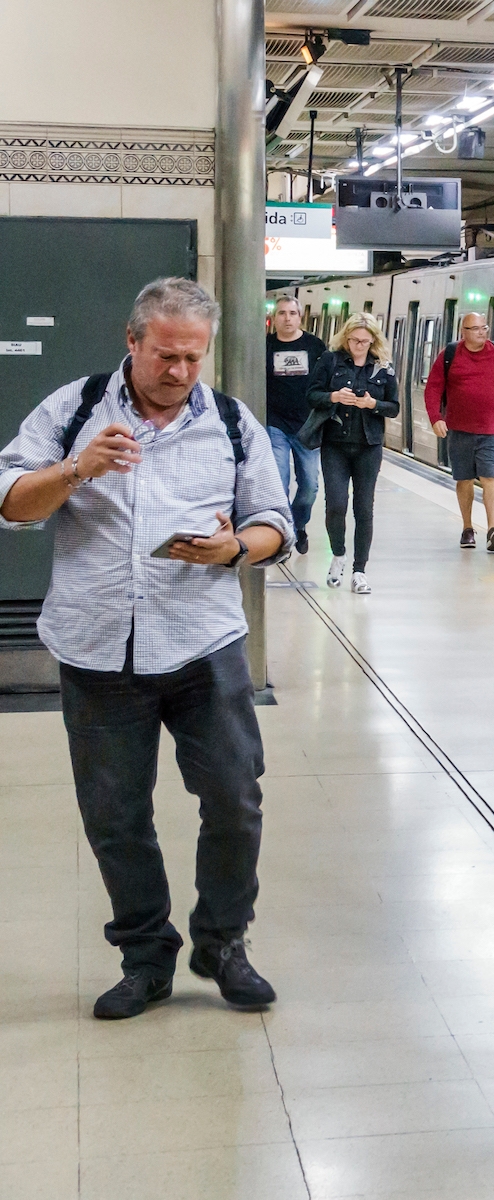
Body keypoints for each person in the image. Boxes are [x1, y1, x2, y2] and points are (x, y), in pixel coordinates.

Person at [0, 277, 292, 1019]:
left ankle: (223, 943)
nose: (180, 372)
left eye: (194, 358)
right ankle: (144, 956)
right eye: (165, 355)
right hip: (98, 651)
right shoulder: (73, 410)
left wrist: (233, 549)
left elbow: (275, 525)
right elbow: (9, 502)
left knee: (234, 797)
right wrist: (76, 469)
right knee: (116, 815)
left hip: (203, 647)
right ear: (132, 343)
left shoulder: (230, 422)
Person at [308, 313, 399, 595]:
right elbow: (312, 394)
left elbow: (393, 407)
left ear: (373, 339)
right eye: (353, 340)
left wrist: (373, 404)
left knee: (364, 508)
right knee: (335, 503)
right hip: (335, 442)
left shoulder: (383, 368)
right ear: (346, 338)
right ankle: (338, 553)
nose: (358, 345)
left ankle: (360, 571)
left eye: (363, 341)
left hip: (368, 445)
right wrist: (333, 397)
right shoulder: (330, 360)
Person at [425, 311, 494, 551]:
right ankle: (467, 528)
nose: (482, 332)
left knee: (490, 477)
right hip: (459, 429)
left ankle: (492, 529)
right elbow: (433, 389)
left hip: (492, 430)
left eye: (484, 327)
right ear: (463, 332)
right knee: (464, 479)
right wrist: (436, 418)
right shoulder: (449, 355)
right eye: (476, 328)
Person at [264, 295, 325, 554]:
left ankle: (298, 525)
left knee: (309, 486)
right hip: (275, 424)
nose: (287, 318)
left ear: (300, 317)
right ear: (274, 318)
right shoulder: (264, 346)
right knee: (279, 482)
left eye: (292, 313)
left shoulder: (315, 346)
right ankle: (285, 532)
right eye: (282, 313)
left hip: (308, 426)